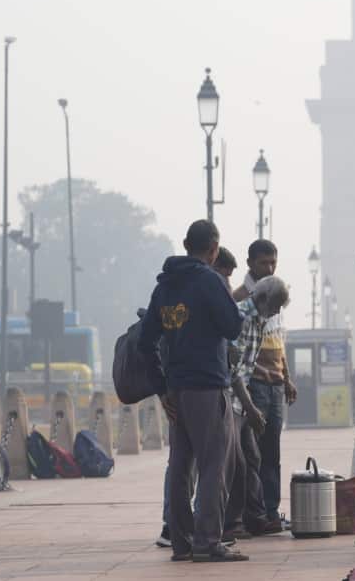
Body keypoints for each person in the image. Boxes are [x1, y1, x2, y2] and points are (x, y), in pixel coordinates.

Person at [139, 220, 246, 562]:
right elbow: (233, 327)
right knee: (214, 465)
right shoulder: (210, 281)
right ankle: (208, 542)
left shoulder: (165, 285)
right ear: (214, 250)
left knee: (180, 467)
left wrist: (162, 389)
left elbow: (145, 342)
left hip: (176, 389)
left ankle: (182, 542)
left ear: (186, 245)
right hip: (208, 385)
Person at [233, 239, 297, 523]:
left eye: (273, 262)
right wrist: (247, 402)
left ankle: (269, 510)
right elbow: (236, 365)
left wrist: (287, 378)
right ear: (250, 264)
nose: (270, 268)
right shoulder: (242, 301)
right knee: (252, 452)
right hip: (253, 385)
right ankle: (252, 511)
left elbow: (278, 343)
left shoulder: (275, 296)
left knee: (271, 451)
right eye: (264, 263)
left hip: (274, 383)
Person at [224, 276, 290, 540]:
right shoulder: (240, 318)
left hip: (242, 400)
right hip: (230, 399)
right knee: (236, 462)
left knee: (253, 457)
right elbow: (232, 370)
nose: (276, 312)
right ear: (262, 299)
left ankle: (255, 516)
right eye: (275, 306)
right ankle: (231, 522)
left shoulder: (260, 320)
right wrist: (250, 407)